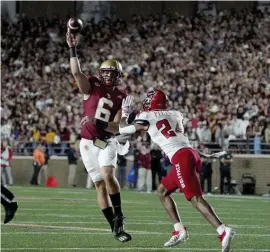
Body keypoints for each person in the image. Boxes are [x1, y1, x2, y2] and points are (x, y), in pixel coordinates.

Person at [118, 90, 235, 251]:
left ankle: (222, 230)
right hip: (190, 153)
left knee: (195, 198)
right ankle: (179, 230)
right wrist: (205, 154)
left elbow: (123, 128)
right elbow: (177, 140)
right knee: (162, 191)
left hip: (181, 157)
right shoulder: (176, 114)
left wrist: (125, 112)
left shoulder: (147, 115)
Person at [66, 28, 131, 242]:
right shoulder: (91, 85)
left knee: (108, 175)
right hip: (86, 142)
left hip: (106, 140)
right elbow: (76, 73)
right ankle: (114, 225)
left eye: (112, 73)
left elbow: (116, 127)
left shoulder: (122, 96)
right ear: (100, 73)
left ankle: (119, 214)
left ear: (118, 76)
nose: (108, 76)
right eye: (105, 72)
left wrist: (97, 121)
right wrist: (72, 48)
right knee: (99, 185)